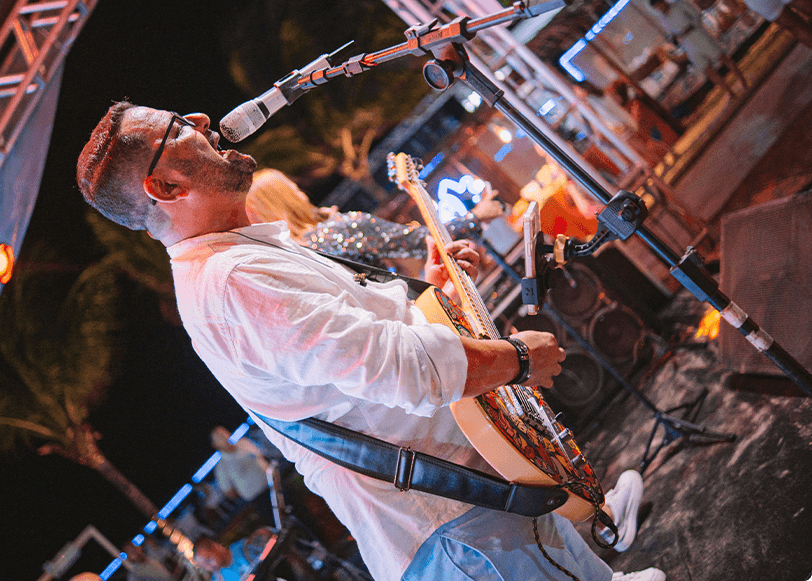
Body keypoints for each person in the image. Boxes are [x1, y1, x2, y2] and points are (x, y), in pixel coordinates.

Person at [76, 102, 663, 581]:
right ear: (166, 185)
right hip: (455, 525)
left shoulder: (239, 258)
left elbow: (363, 351)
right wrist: (519, 359)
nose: (203, 120)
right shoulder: (232, 282)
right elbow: (400, 369)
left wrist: (434, 294)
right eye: (179, 126)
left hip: (477, 497)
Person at [246, 168, 504, 271]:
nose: (303, 193)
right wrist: (476, 217)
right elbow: (418, 242)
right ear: (289, 199)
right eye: (294, 189)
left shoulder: (296, 260)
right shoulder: (339, 228)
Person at [648, 0, 749, 97]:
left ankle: (743, 82)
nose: (659, 8)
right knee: (707, 70)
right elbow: (672, 33)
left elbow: (696, 14)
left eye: (659, 5)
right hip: (686, 43)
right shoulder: (663, 20)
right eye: (656, 7)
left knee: (722, 58)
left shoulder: (679, 5)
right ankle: (730, 93)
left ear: (663, 1)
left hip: (697, 34)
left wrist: (695, 28)